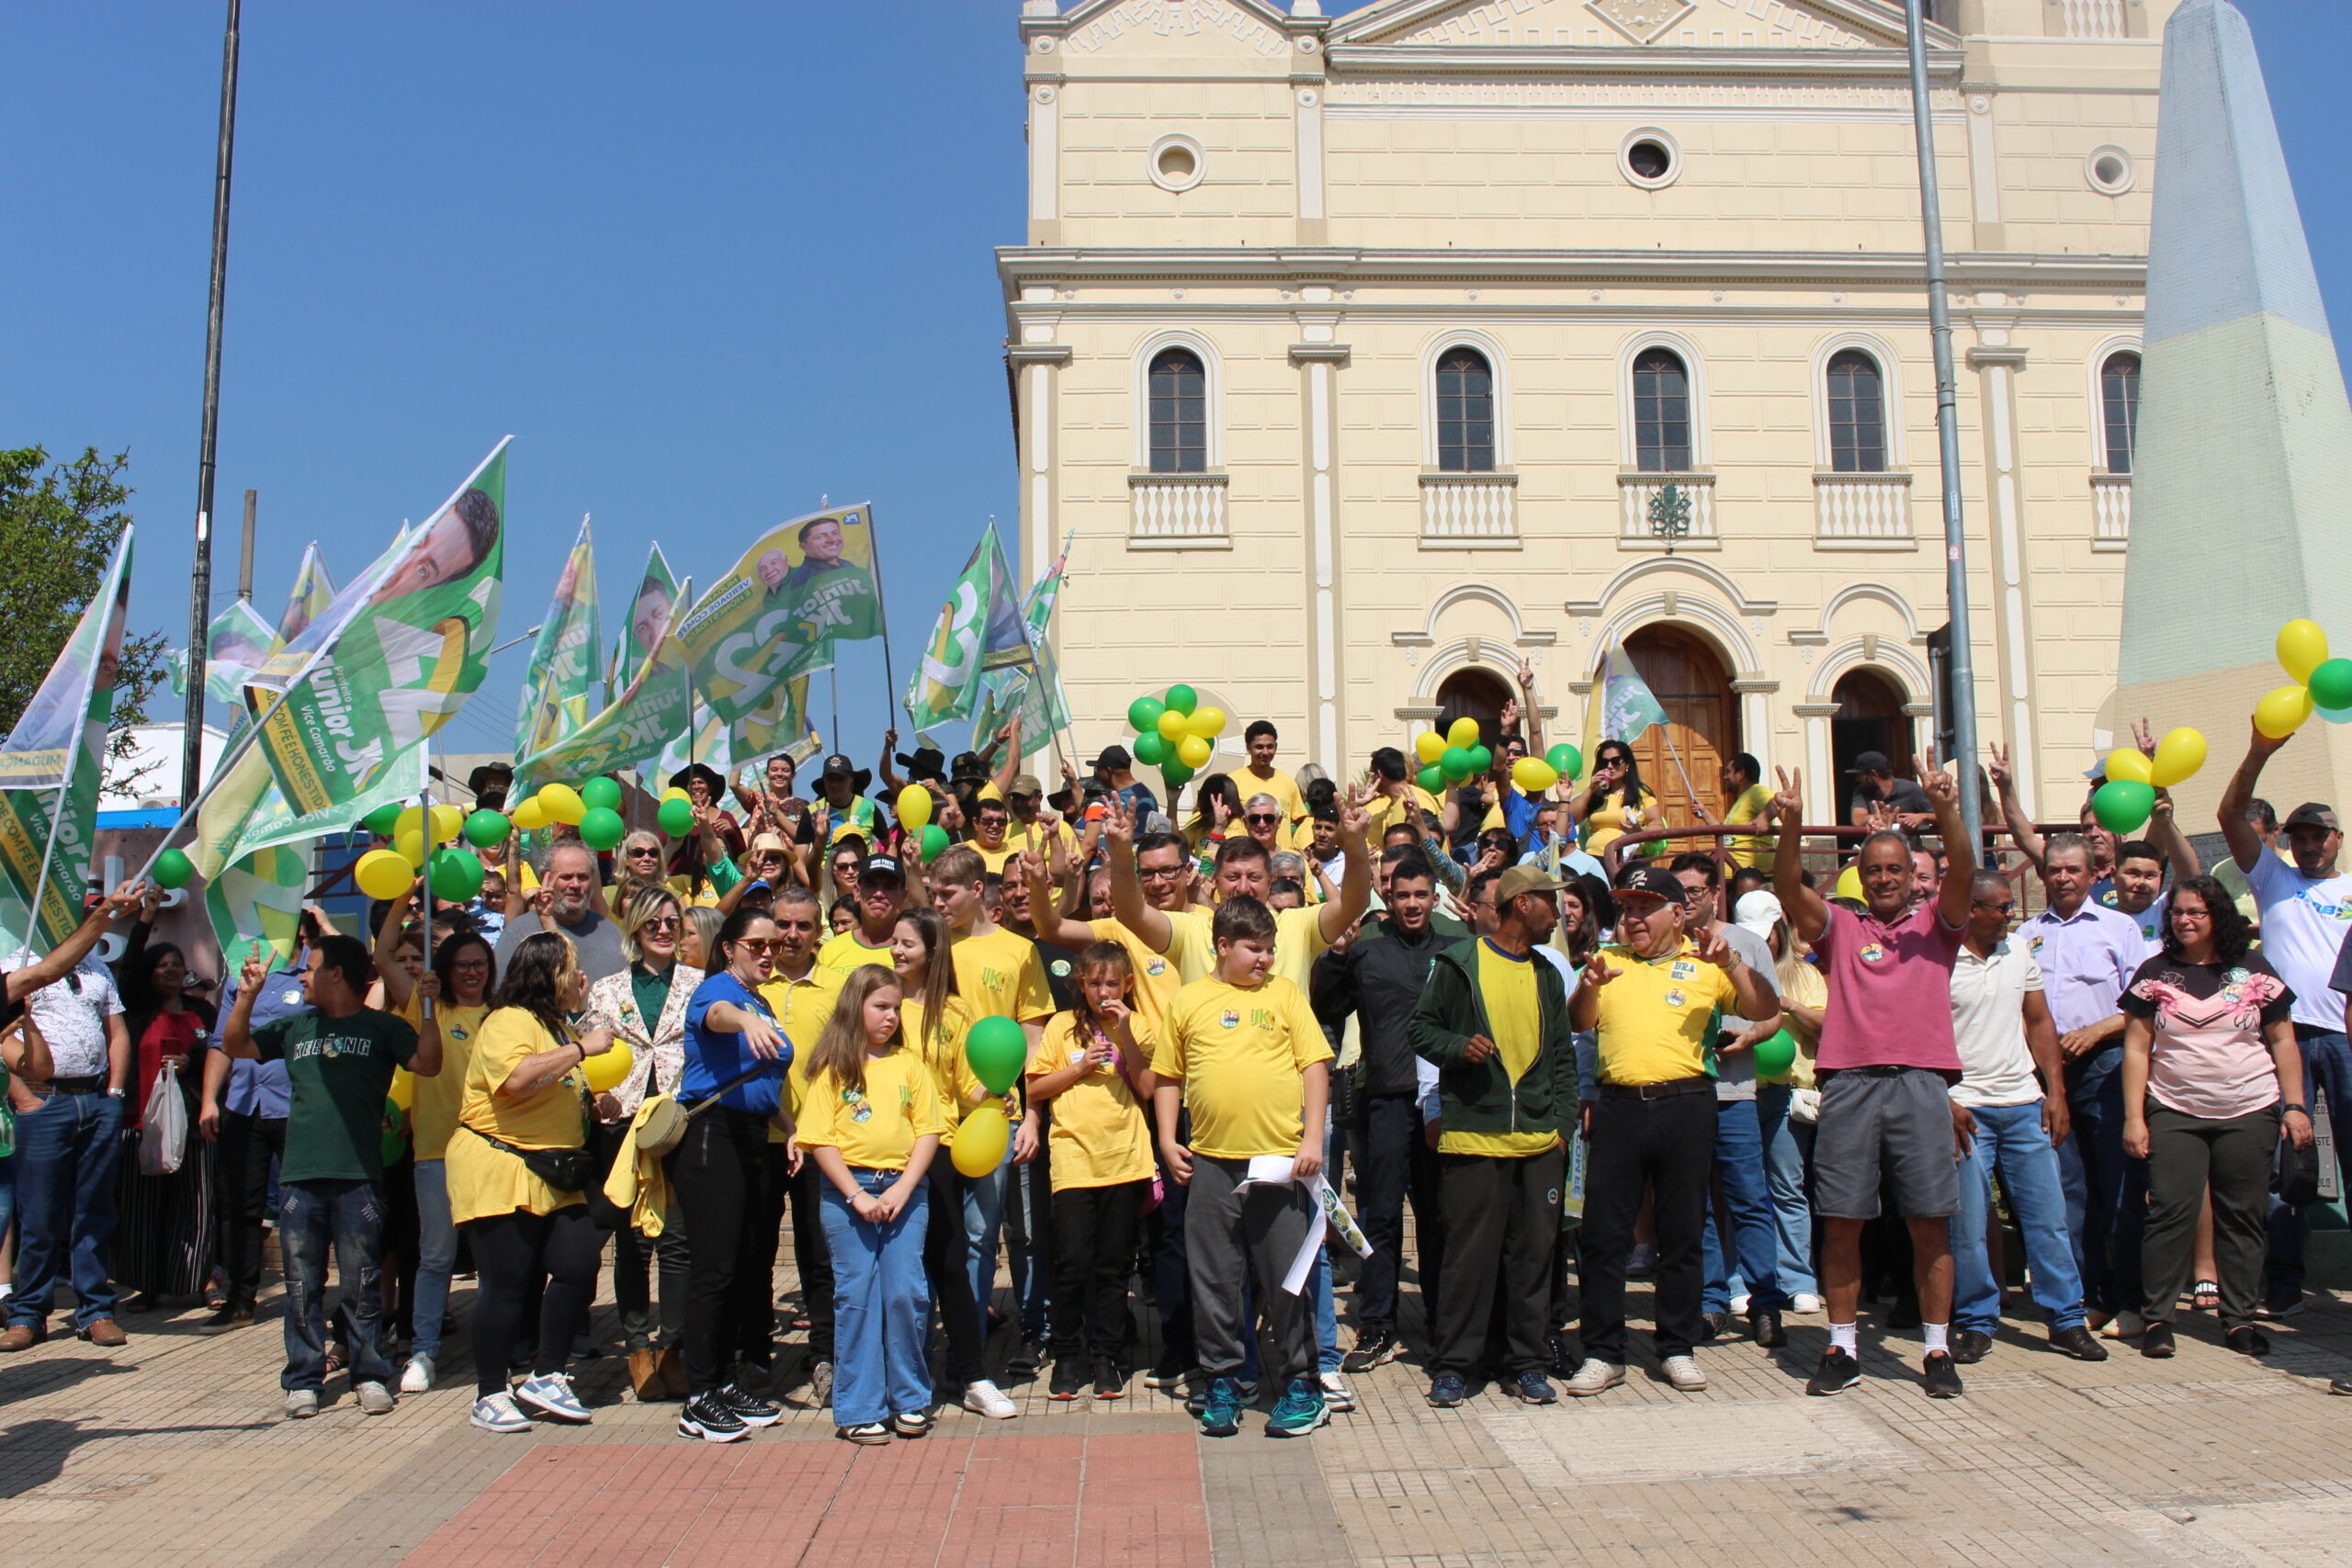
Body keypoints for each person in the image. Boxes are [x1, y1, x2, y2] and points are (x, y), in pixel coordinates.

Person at [1770, 755, 1977, 1400]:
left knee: (1929, 1221)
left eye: (1896, 870)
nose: (1885, 878)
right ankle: (1843, 1346)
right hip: (1850, 1085)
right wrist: (1793, 825)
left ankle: (1937, 1349)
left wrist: (1945, 809)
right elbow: (1787, 888)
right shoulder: (1840, 926)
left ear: (1914, 878)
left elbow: (1966, 869)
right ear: (1859, 876)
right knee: (1841, 1221)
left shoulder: (1936, 925)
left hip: (1919, 1083)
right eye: (1875, 870)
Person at [1561, 864, 1776, 1399]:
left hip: (1686, 1105)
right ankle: (1603, 1352)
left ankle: (1677, 1346)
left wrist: (1732, 964)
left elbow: (1764, 1008)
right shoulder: (1607, 960)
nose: (1633, 918)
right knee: (1605, 1235)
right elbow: (1578, 1022)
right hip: (1618, 1107)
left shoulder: (1706, 963)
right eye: (1628, 908)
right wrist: (1588, 986)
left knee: (1682, 1232)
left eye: (1645, 908)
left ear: (1678, 914)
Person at [221, 935, 437, 1417]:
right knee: (302, 1285)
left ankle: (369, 1374)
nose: (302, 976)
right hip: (300, 1176)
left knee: (361, 1282)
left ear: (335, 974)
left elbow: (428, 1063)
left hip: (360, 1176)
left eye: (310, 967)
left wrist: (429, 1010)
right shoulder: (295, 1026)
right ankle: (303, 1378)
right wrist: (246, 997)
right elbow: (235, 1045)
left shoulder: (382, 1027)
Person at [1408, 864, 1589, 1405]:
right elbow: (1421, 1029)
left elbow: (1562, 1057)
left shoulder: (1547, 973)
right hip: (1473, 1137)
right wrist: (1458, 1047)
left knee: (1533, 1261)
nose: (1560, 914)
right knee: (1467, 1260)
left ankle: (1527, 1364)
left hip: (1539, 1144)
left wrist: (1560, 1127)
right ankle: (1454, 1365)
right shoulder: (1459, 963)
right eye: (1550, 901)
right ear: (1523, 903)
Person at [1153, 897, 1332, 1438]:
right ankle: (1224, 1383)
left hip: (1278, 1163)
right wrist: (1167, 1139)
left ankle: (1303, 1387)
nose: (1265, 959)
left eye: (1271, 949)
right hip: (1210, 1162)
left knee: (1286, 1279)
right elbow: (1168, 1076)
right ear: (1223, 946)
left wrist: (1312, 1138)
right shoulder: (1188, 1000)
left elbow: (1314, 1066)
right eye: (1254, 949)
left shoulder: (1285, 994)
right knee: (1214, 1280)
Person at [2123, 876, 2313, 1358]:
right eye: (2177, 912)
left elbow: (2283, 1041)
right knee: (2169, 1212)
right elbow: (2137, 1048)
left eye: (2195, 912)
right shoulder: (2154, 972)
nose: (2183, 920)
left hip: (2250, 1109)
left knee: (2242, 1215)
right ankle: (2158, 1320)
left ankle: (2239, 1320)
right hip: (2174, 1109)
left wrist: (2294, 1106)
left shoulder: (2254, 969)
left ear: (2218, 915)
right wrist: (2134, 1117)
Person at [441, 931, 608, 1431]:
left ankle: (547, 1374)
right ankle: (490, 1393)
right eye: (573, 969)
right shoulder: (507, 1020)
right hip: (501, 1165)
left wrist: (593, 1103)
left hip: (555, 1171)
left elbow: (555, 1086)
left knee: (579, 1261)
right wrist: (581, 1049)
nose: (581, 978)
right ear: (548, 973)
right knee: (508, 1285)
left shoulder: (555, 1025)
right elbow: (516, 1079)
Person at [2217, 727, 2352, 1320]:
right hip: (2282, 1038)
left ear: (2338, 839)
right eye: (2299, 836)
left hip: (2346, 1038)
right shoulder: (2273, 878)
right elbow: (2229, 814)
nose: (2310, 845)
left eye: (2319, 835)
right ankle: (2284, 1283)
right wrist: (2258, 752)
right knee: (2280, 1166)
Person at [1946, 872, 2105, 1365]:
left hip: (2023, 1104)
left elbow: (2039, 1021)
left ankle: (2066, 1320)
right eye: (2001, 907)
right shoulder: (1940, 957)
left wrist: (2055, 1092)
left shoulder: (2017, 949)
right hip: (1967, 1108)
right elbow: (1918, 1033)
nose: (2010, 915)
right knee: (1969, 1225)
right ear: (1972, 909)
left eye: (2011, 906)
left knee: (2049, 1220)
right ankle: (1977, 1322)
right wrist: (1943, 1099)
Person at [2016, 829, 2161, 1338]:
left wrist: (2097, 1030)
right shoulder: (2026, 934)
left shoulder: (2120, 929)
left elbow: (2145, 1001)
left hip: (2108, 1064)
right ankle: (2090, 1296)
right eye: (2054, 870)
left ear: (2093, 873)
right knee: (2068, 1191)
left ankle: (2132, 1300)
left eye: (2073, 869)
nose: (2063, 878)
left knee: (2119, 1185)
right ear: (2042, 875)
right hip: (2049, 1073)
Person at [1313, 852, 1450, 1373]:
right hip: (1388, 1098)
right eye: (1402, 895)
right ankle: (1377, 1325)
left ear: (1435, 899)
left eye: (1421, 895)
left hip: (1442, 1104)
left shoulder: (1455, 949)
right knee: (1382, 1216)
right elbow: (1327, 1007)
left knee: (1440, 1216)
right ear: (1388, 898)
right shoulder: (1368, 949)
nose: (1412, 904)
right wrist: (1337, 956)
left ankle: (1443, 1322)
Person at [797, 964, 946, 1443]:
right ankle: (860, 1406)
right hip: (848, 1194)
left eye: (896, 1008)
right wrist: (856, 1195)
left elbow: (928, 1130)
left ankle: (910, 1397)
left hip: (905, 1190)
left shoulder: (910, 1064)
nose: (891, 1017)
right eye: (880, 1006)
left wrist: (903, 1188)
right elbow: (820, 1140)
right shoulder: (832, 1068)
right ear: (854, 1006)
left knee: (904, 1291)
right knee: (856, 1296)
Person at [928, 846, 1054, 1369]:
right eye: (932, 894)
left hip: (1001, 1115)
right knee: (957, 1238)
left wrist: (1032, 1115)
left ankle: (1033, 1329)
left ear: (978, 890)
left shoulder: (1018, 951)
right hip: (939, 1118)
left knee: (1013, 1233)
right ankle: (966, 1341)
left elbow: (1034, 1038)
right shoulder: (932, 947)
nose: (938, 903)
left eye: (947, 893)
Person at [888, 907, 1017, 1420]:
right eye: (894, 942)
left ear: (933, 950)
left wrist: (995, 1095)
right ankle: (903, 1377)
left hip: (939, 1150)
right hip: (882, 1153)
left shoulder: (957, 1012)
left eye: (907, 943)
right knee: (898, 1274)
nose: (896, 951)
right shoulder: (881, 1000)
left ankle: (973, 1377)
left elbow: (966, 1084)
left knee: (950, 1264)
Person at [671, 908, 793, 1442]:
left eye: (774, 945)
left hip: (752, 1135)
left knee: (743, 1265)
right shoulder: (718, 990)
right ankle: (698, 1397)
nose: (768, 953)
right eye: (756, 944)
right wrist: (744, 1020)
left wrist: (790, 1127)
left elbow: (759, 1079)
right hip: (712, 1135)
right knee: (714, 1269)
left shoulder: (759, 998)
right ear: (729, 948)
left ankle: (723, 1382)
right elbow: (716, 1016)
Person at [370, 894, 497, 1396]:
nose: (472, 972)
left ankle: (497, 1349)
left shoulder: (503, 1015)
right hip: (436, 1152)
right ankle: (422, 1351)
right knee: (436, 1256)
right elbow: (383, 956)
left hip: (493, 1153)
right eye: (462, 964)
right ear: (445, 969)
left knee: (493, 1262)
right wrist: (403, 893)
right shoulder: (427, 1006)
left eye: (480, 964)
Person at [1665, 852, 1789, 1348]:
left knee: (1749, 1198)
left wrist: (1751, 1036)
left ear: (1716, 893)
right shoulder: (1666, 946)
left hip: (1734, 1092)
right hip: (1684, 1092)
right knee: (1695, 1205)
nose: (1687, 900)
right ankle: (1711, 1301)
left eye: (1695, 891)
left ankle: (1766, 1303)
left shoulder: (1747, 943)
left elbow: (1774, 1012)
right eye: (1678, 892)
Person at [582, 886, 702, 1401]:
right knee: (632, 1242)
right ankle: (636, 1346)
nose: (663, 930)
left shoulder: (700, 983)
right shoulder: (607, 989)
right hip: (624, 1124)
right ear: (635, 927)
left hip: (681, 1120)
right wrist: (598, 1095)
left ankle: (672, 1347)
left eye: (672, 921)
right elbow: (591, 1053)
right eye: (653, 922)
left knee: (677, 1239)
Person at [1027, 942, 1155, 1399]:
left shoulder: (1138, 1025)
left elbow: (1147, 1088)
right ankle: (1066, 1356)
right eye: (1095, 983)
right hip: (1074, 1160)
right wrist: (1081, 1066)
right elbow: (1035, 1089)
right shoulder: (1061, 1026)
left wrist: (1126, 1033)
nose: (1104, 992)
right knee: (1072, 1262)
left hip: (1125, 1159)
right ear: (1081, 983)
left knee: (1114, 1266)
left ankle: (1107, 1357)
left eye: (1112, 984)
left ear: (1128, 985)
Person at [4, 925, 133, 1352]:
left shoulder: (98, 968)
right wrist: (24, 1098)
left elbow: (117, 1031)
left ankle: (95, 1311)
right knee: (39, 1213)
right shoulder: (19, 966)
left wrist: (114, 1092)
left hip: (95, 1100)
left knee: (94, 1210)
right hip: (44, 1101)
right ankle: (28, 1314)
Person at [110, 916, 217, 1315]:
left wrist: (193, 1061)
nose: (171, 970)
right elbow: (129, 967)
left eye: (177, 964)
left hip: (194, 1126)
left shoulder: (202, 1011)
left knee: (197, 1207)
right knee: (142, 1211)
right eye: (162, 965)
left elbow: (219, 1051)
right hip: (143, 1126)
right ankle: (147, 1286)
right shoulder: (136, 1009)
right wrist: (144, 919)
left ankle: (201, 1280)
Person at [1736, 891, 1825, 1316]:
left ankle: (1798, 1279)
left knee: (1788, 1187)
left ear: (1781, 930)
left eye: (1766, 936)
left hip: (1786, 1094)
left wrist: (1785, 1003)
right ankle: (1741, 1281)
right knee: (1740, 1190)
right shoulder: (1729, 970)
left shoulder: (1805, 975)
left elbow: (1827, 1024)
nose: (1760, 944)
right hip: (1739, 1093)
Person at [495, 842, 627, 983]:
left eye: (583, 877)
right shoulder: (519, 933)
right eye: (566, 877)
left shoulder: (610, 931)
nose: (575, 885)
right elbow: (497, 990)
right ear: (545, 878)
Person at [819, 852, 906, 973]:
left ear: (903, 896)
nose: (879, 894)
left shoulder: (911, 952)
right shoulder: (831, 950)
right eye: (870, 886)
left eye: (889, 887)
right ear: (857, 892)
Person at [1578, 741, 1653, 859]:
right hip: (1595, 858)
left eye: (1616, 761)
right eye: (1604, 762)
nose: (1609, 766)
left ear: (1627, 764)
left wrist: (1640, 831)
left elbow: (1658, 827)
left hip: (1627, 858)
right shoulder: (1596, 794)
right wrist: (1590, 789)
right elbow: (1571, 818)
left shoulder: (1641, 794)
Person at [1717, 752, 1776, 872]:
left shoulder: (1757, 791)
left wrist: (1763, 818)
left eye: (1728, 772)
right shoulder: (1742, 799)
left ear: (1741, 774)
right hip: (1736, 875)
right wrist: (1704, 812)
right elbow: (1725, 833)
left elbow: (1778, 804)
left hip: (1752, 877)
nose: (1725, 777)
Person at [1848, 750, 1933, 832]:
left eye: (1860, 775)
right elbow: (1857, 820)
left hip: (1905, 843)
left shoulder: (1911, 789)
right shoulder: (1861, 791)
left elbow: (1938, 816)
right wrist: (1888, 817)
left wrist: (1922, 817)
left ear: (1873, 774)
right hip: (1876, 842)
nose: (1857, 779)